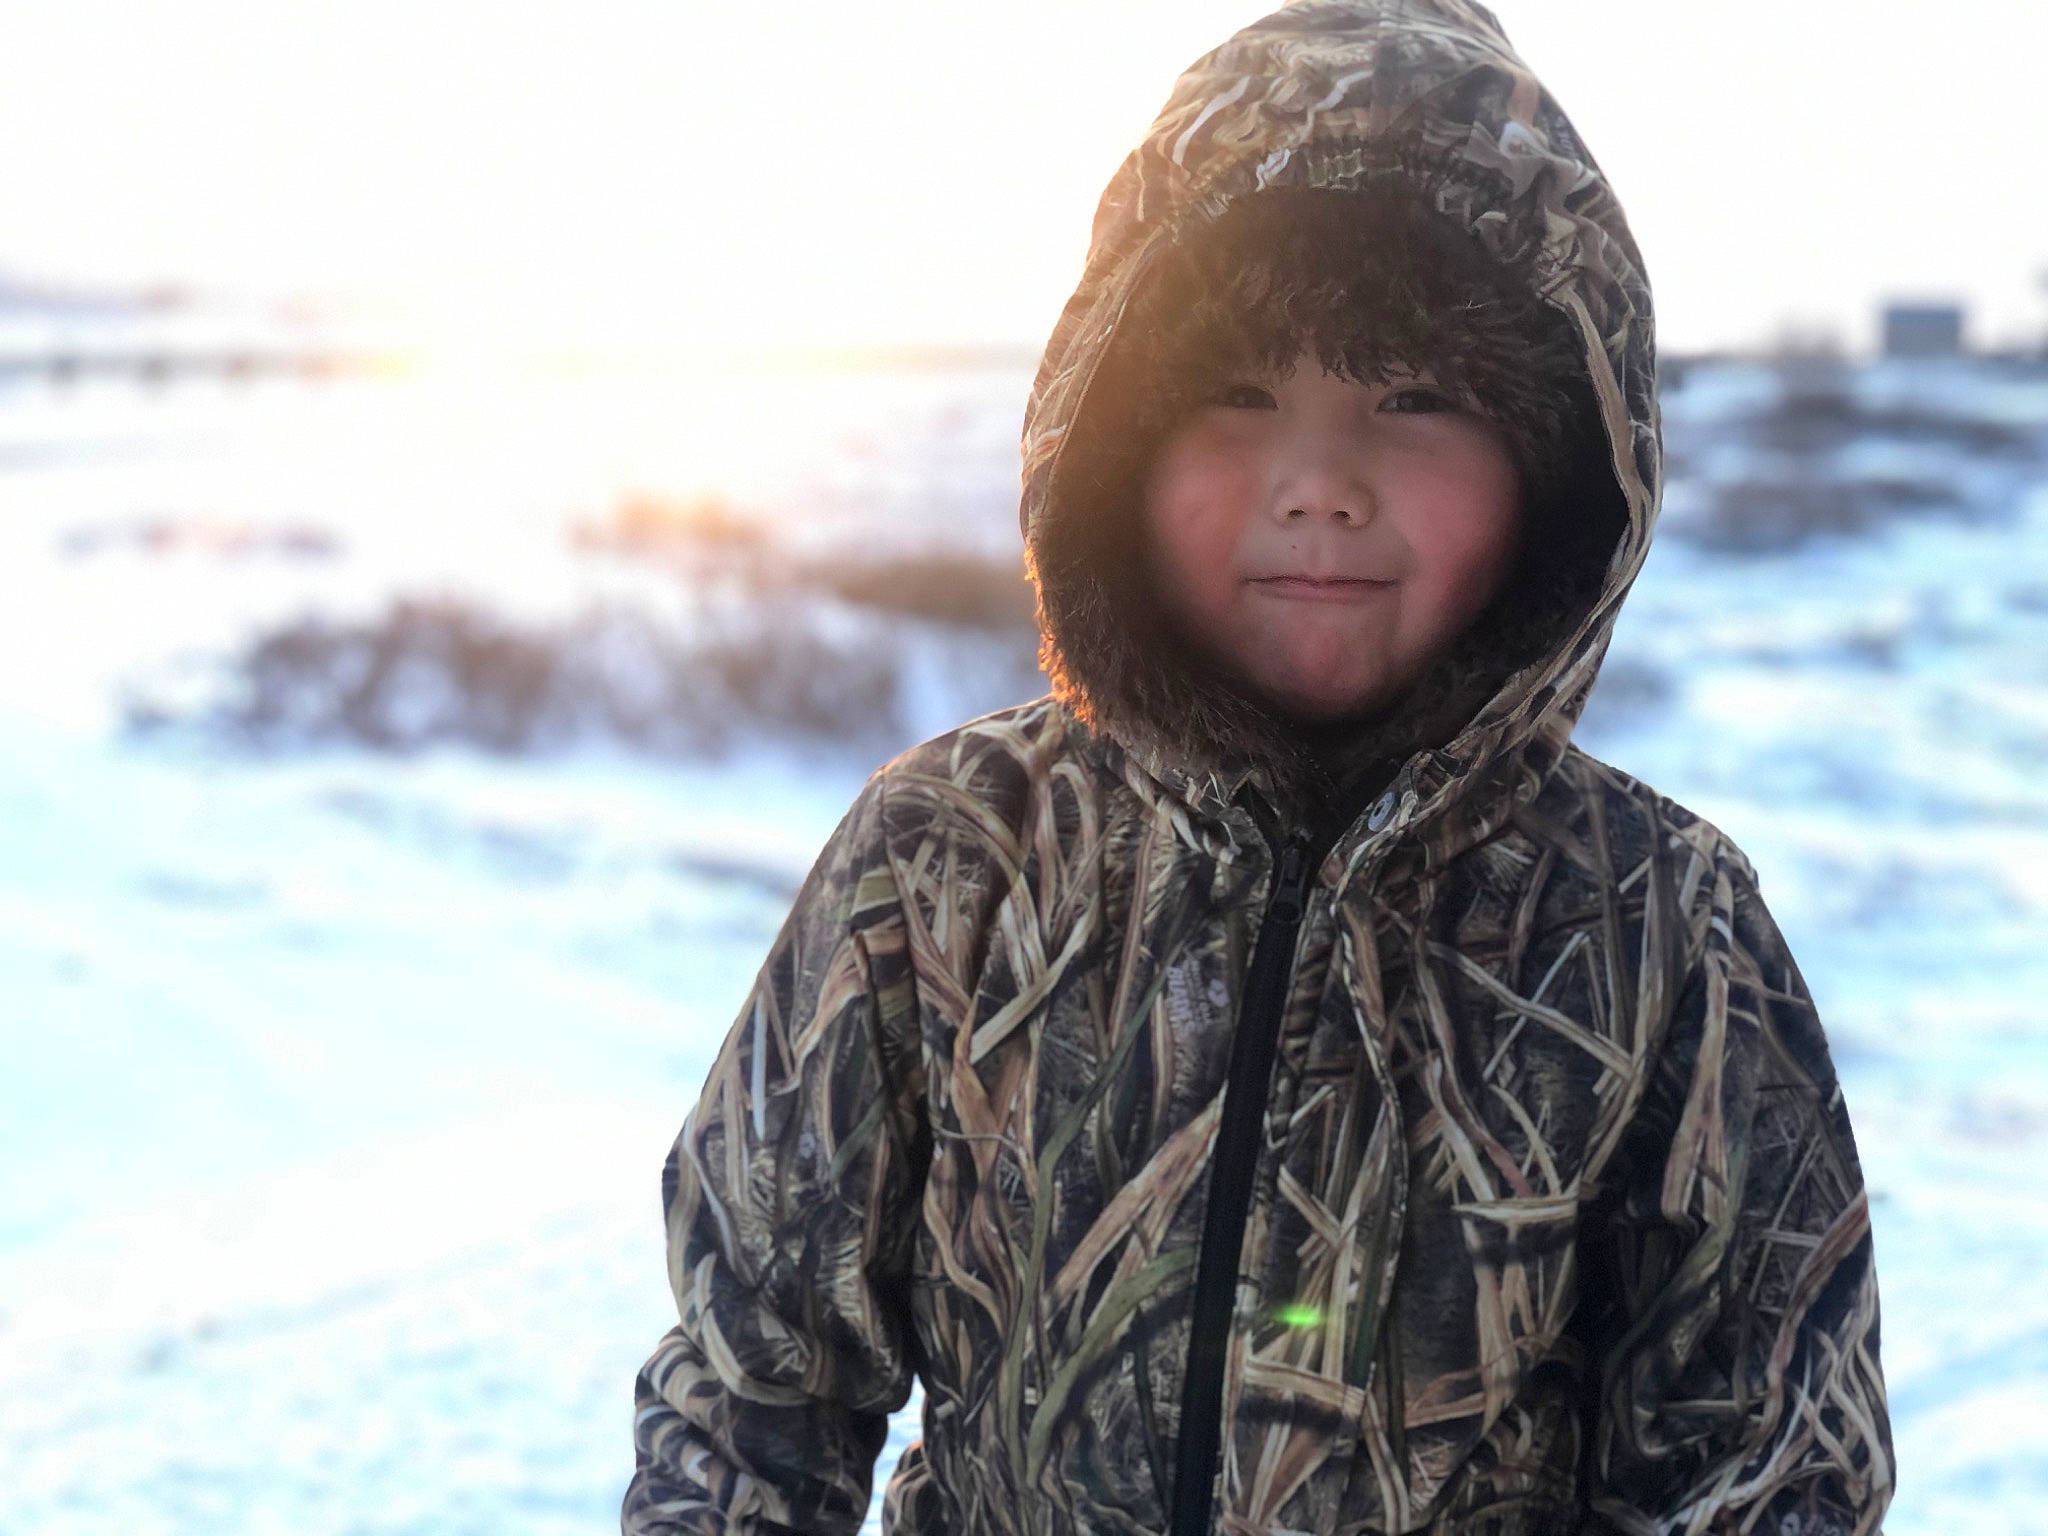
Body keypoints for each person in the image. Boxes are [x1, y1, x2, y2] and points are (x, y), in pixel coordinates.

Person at [623, 2, 1894, 1532]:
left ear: (1559, 456)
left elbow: (1764, 1468)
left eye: (1415, 400)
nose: (1319, 487)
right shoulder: (950, 854)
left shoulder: (1655, 923)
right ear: (1115, 436)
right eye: (1236, 395)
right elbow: (755, 1387)